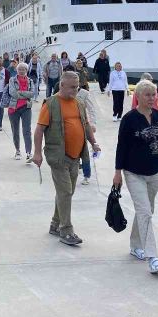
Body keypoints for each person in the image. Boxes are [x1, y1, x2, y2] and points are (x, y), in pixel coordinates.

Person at [32, 72, 101, 246]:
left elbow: (85, 125)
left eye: (77, 87)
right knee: (65, 192)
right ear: (62, 85)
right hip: (58, 157)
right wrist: (37, 153)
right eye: (72, 87)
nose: (75, 90)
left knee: (66, 193)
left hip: (75, 156)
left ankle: (55, 224)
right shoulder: (51, 103)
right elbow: (39, 129)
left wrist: (93, 142)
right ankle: (66, 231)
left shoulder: (78, 102)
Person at [113, 80, 158, 274]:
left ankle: (135, 244)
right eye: (147, 95)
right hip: (133, 171)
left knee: (147, 209)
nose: (152, 98)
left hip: (156, 170)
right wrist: (117, 172)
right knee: (144, 211)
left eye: (153, 95)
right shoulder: (129, 119)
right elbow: (122, 146)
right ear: (138, 96)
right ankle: (152, 256)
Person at [8, 62, 35, 161]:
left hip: (26, 107)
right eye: (20, 69)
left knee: (27, 130)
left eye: (24, 69)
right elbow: (13, 93)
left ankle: (28, 152)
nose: (22, 71)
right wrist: (24, 95)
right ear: (17, 70)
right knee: (15, 130)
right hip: (13, 108)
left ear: (26, 70)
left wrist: (20, 92)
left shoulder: (31, 81)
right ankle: (17, 150)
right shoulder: (12, 80)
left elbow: (32, 93)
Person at [75, 86, 98, 184]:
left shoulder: (84, 94)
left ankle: (86, 175)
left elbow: (91, 109)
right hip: (70, 128)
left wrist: (93, 124)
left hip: (84, 126)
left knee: (84, 152)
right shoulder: (64, 93)